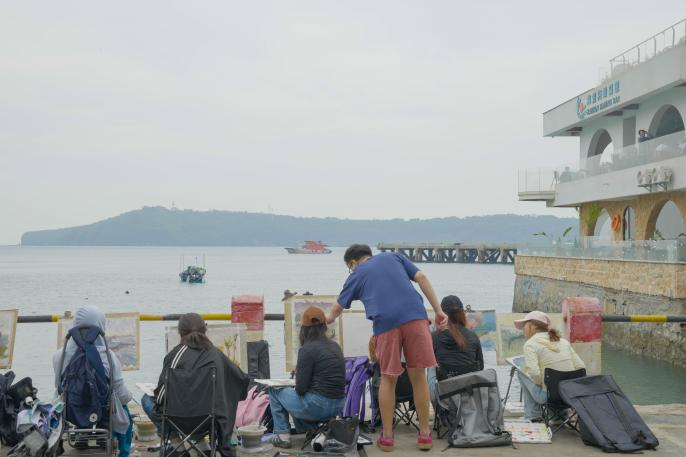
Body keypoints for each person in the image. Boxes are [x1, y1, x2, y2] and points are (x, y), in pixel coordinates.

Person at [326, 244, 448, 452]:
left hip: (386, 323)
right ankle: (425, 435)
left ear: (353, 263)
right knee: (418, 376)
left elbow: (337, 308)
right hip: (416, 316)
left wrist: (326, 319)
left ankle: (388, 437)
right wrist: (438, 310)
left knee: (388, 378)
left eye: (349, 268)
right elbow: (422, 277)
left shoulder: (357, 273)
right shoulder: (394, 257)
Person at [141, 313, 249, 457]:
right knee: (213, 403)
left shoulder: (175, 355)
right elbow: (241, 380)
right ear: (205, 330)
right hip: (210, 420)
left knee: (147, 400)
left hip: (177, 419)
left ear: (180, 332)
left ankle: (178, 447)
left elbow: (161, 397)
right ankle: (203, 447)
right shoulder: (216, 355)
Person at [52, 305, 134, 457]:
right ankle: (123, 452)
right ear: (101, 327)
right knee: (122, 409)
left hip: (71, 410)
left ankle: (81, 434)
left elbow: (58, 388)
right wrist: (130, 396)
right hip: (101, 410)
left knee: (80, 398)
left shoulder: (59, 355)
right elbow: (121, 394)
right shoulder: (108, 356)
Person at [268, 306, 345, 449]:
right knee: (300, 396)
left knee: (274, 391)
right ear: (324, 327)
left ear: (304, 329)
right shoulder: (335, 346)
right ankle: (315, 431)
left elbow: (301, 389)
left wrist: (297, 378)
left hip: (319, 405)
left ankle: (283, 436)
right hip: (339, 405)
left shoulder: (307, 349)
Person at [514, 311, 586, 421]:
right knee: (550, 379)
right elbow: (581, 367)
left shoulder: (530, 344)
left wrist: (541, 383)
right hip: (570, 395)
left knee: (521, 371)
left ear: (533, 326)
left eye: (525, 325)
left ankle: (533, 416)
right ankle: (559, 417)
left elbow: (534, 373)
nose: (523, 328)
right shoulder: (563, 342)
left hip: (548, 397)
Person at [428, 295, 483, 403]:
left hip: (444, 398)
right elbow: (480, 366)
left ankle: (432, 405)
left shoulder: (434, 337)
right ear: (462, 314)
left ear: (442, 314)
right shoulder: (473, 336)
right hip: (469, 395)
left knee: (431, 365)